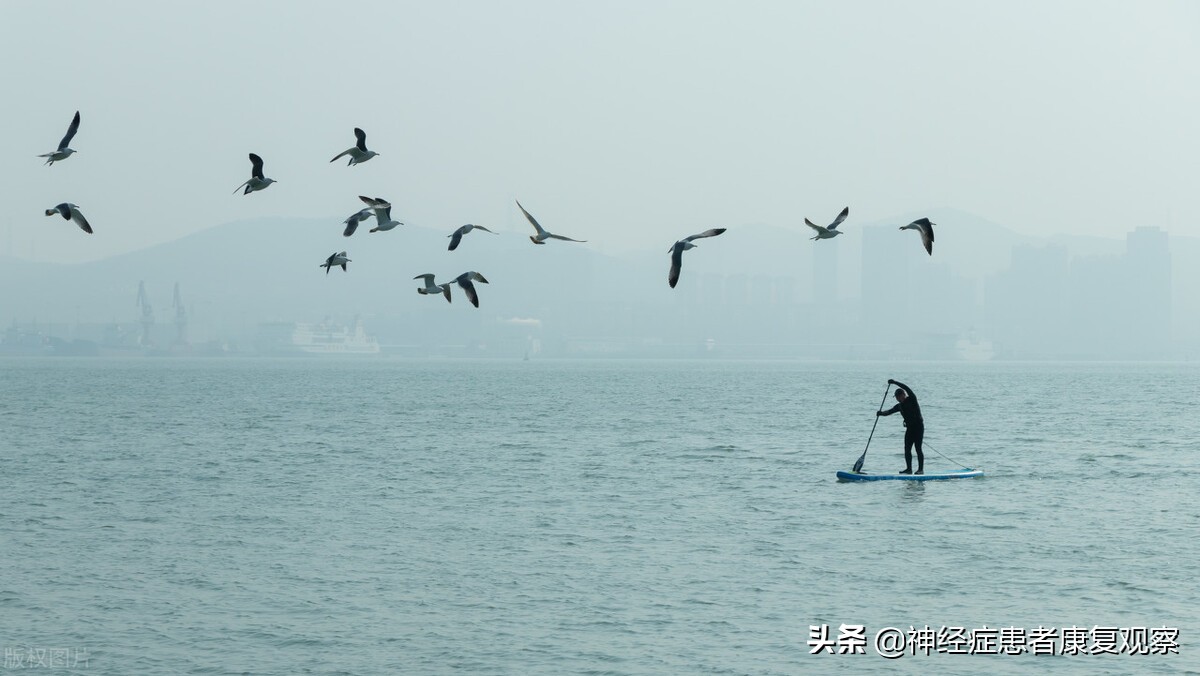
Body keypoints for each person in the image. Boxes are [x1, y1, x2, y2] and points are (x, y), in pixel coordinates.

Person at [876, 378, 924, 475]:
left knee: (918, 448)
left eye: (898, 397)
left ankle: (920, 470)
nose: (897, 399)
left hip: (918, 427)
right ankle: (909, 469)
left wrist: (895, 382)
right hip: (910, 429)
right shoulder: (899, 406)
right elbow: (889, 412)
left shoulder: (912, 399)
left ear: (903, 395)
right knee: (907, 448)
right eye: (896, 397)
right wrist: (880, 413)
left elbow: (906, 387)